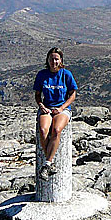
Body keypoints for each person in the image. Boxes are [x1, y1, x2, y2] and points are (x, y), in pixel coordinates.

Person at [33, 47, 77, 180]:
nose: (54, 61)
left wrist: (62, 107)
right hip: (47, 107)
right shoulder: (42, 75)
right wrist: (41, 106)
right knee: (43, 129)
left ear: (61, 60)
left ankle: (47, 163)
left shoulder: (66, 74)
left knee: (56, 130)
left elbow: (73, 94)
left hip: (62, 109)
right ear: (47, 60)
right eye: (51, 59)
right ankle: (50, 163)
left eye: (56, 59)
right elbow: (37, 95)